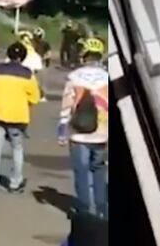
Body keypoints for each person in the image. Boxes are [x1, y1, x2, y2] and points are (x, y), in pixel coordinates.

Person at [57, 37, 109, 219]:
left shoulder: (74, 77)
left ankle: (85, 209)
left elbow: (66, 104)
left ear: (83, 55)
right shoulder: (107, 77)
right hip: (102, 133)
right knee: (99, 170)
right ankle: (103, 209)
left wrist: (62, 128)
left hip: (80, 133)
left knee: (81, 171)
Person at [0, 42, 42, 197]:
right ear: (23, 57)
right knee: (17, 149)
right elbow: (35, 98)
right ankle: (15, 182)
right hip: (18, 117)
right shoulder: (28, 74)